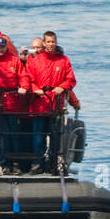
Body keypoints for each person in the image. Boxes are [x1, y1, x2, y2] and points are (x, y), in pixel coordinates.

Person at [24, 30, 77, 172]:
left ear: (56, 42)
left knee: (56, 137)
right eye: (48, 41)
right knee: (38, 136)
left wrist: (62, 87)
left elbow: (71, 79)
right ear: (44, 43)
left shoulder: (63, 60)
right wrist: (35, 89)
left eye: (53, 41)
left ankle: (54, 164)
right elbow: (28, 78)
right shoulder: (36, 60)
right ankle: (37, 164)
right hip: (39, 104)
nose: (51, 44)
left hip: (56, 104)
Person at [0, 34, 28, 174]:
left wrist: (24, 87)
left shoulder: (15, 60)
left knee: (13, 134)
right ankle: (2, 163)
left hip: (13, 102)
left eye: (2, 47)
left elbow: (24, 76)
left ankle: (14, 162)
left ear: (6, 47)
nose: (0, 49)